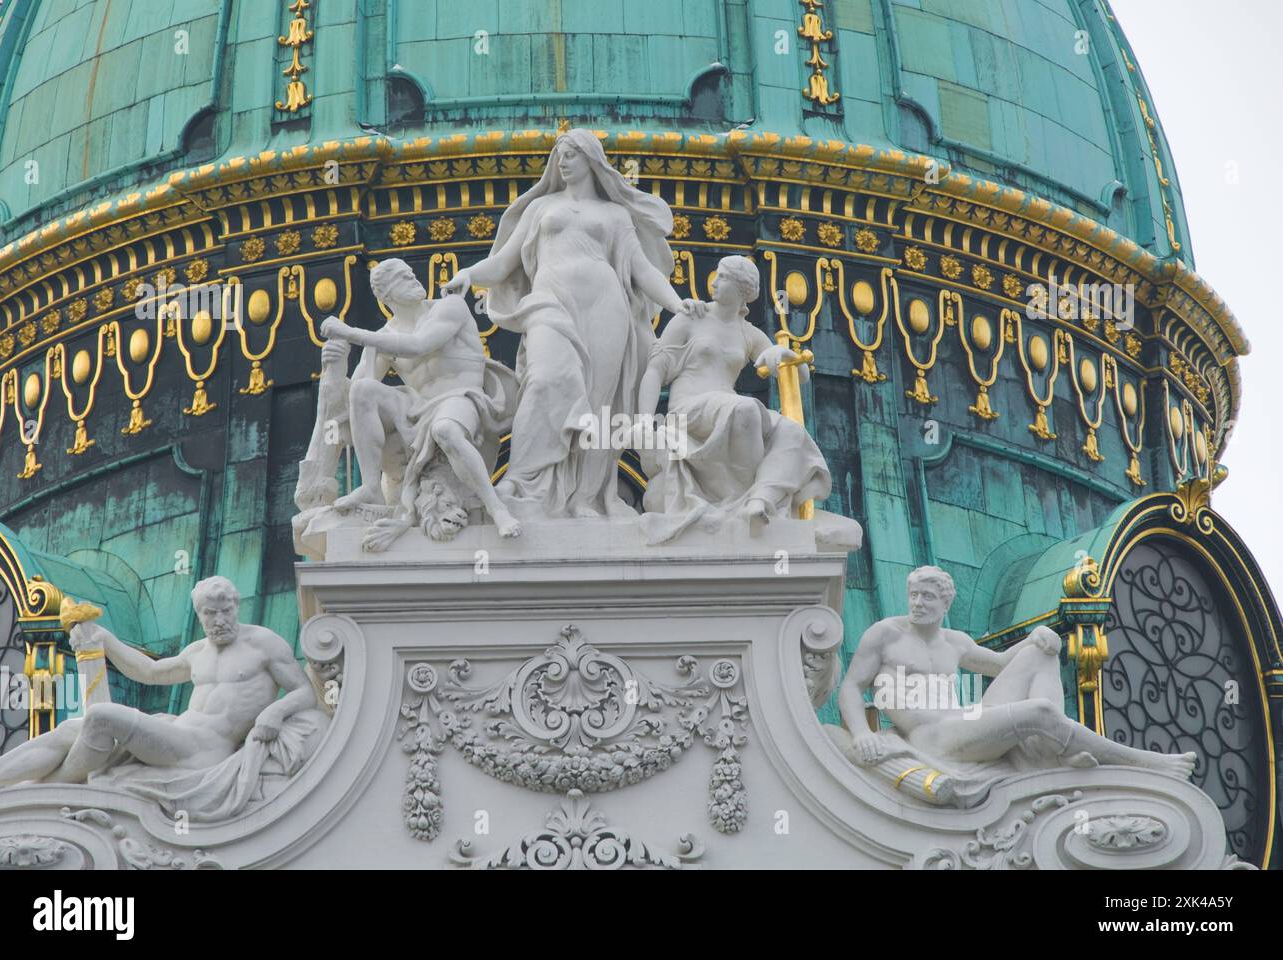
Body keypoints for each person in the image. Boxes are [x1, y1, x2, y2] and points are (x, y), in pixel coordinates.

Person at [441, 128, 706, 519]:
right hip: (550, 301)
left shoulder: (616, 214)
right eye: (559, 156)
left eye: (570, 155)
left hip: (605, 304)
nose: (562, 162)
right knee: (545, 381)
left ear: (591, 159)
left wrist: (676, 302)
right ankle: (523, 480)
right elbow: (504, 261)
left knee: (600, 402)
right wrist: (469, 274)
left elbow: (642, 269)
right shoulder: (541, 208)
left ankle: (587, 497)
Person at [832, 565, 1197, 781]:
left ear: (945, 603)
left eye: (927, 596)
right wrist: (862, 733)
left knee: (1042, 654)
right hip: (932, 738)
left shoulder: (954, 642)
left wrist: (1037, 638)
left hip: (967, 723)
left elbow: (1002, 665)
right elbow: (851, 686)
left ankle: (1048, 748)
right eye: (913, 595)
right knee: (1039, 712)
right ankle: (1149, 764)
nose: (917, 603)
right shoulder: (885, 634)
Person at [0, 576, 318, 791]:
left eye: (225, 611)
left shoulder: (264, 643)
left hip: (201, 751)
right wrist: (106, 639)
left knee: (100, 716)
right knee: (71, 728)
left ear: (237, 606)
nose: (218, 621)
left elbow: (306, 691)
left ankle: (45, 791)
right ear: (199, 615)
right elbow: (149, 672)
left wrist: (274, 714)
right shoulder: (198, 651)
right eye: (209, 614)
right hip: (172, 731)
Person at [318, 258, 520, 542]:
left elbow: (419, 345)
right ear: (386, 296)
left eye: (411, 274)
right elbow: (353, 397)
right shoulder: (385, 336)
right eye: (403, 278)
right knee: (362, 390)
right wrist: (336, 370)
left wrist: (351, 333)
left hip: (463, 397)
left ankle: (497, 509)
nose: (414, 280)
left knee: (445, 430)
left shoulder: (449, 307)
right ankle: (371, 486)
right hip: (419, 408)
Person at [636, 255, 831, 544]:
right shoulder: (691, 317)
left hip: (727, 407)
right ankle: (738, 501)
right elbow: (655, 371)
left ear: (742, 290)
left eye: (724, 277)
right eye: (717, 274)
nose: (714, 282)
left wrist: (782, 354)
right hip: (689, 409)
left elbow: (800, 375)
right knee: (747, 408)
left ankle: (761, 499)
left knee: (792, 432)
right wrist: (643, 422)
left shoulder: (747, 333)